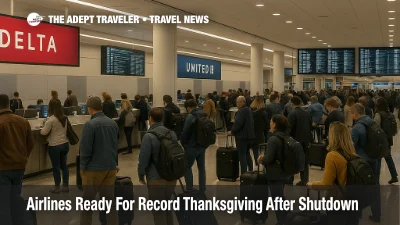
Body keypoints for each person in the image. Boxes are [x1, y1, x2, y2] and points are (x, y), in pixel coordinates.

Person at [307, 122, 360, 225]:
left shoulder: (332, 156)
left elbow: (326, 184)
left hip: (338, 201)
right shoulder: (353, 154)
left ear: (333, 136)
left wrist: (311, 184)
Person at [79, 96, 119, 225]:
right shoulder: (113, 123)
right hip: (110, 168)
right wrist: (115, 163)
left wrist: (83, 167)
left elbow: (85, 150)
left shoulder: (90, 125)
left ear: (90, 108)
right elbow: (114, 146)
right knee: (110, 204)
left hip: (93, 170)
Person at [138, 107, 177, 225]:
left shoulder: (148, 136)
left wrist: (141, 175)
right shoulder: (172, 134)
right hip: (171, 177)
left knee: (158, 211)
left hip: (156, 178)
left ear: (150, 118)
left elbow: (143, 159)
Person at [0, 94, 34, 225]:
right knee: (15, 200)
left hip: (2, 169)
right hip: (19, 168)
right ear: (9, 104)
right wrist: (23, 158)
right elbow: (30, 143)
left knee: (3, 204)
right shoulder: (23, 121)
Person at [257, 115, 291, 225]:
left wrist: (261, 159)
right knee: (280, 196)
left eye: (271, 122)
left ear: (275, 124)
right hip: (285, 171)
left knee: (277, 198)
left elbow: (268, 158)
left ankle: (282, 220)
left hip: (275, 173)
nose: (270, 124)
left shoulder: (273, 139)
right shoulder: (286, 137)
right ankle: (288, 216)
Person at [350, 103, 381, 223]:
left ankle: (357, 215)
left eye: (352, 114)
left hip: (362, 162)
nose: (352, 116)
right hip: (375, 159)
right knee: (374, 186)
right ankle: (377, 213)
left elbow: (351, 146)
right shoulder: (373, 122)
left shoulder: (357, 127)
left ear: (356, 113)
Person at [40, 99, 70, 193]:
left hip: (54, 146)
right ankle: (65, 186)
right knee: (64, 165)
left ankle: (57, 187)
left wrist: (44, 125)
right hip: (65, 144)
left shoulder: (51, 119)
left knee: (56, 167)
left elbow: (43, 132)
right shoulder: (65, 117)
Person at [181, 100, 207, 192]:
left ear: (188, 107)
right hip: (202, 145)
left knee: (187, 167)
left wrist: (183, 143)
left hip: (191, 146)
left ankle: (189, 188)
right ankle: (202, 188)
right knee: (201, 168)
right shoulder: (203, 114)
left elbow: (185, 132)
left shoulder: (191, 116)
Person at [287, 96, 312, 186]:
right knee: (305, 160)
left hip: (295, 140)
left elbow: (289, 128)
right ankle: (304, 179)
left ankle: (290, 179)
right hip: (306, 139)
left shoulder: (292, 113)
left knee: (293, 159)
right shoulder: (306, 113)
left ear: (292, 103)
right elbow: (311, 126)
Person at [228, 96, 255, 174]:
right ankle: (250, 170)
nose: (236, 104)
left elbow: (238, 124)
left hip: (242, 136)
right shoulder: (249, 110)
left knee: (242, 154)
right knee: (247, 153)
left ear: (242, 102)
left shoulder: (241, 111)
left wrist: (232, 131)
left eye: (238, 102)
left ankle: (244, 173)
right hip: (250, 136)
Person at [374, 98, 398, 184]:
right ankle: (394, 175)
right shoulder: (390, 114)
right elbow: (395, 129)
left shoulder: (378, 114)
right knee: (388, 157)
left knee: (378, 159)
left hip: (380, 140)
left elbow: (375, 128)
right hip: (389, 139)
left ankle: (376, 179)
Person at [250, 96, 269, 166]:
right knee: (262, 149)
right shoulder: (263, 112)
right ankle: (262, 163)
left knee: (255, 149)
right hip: (261, 133)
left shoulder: (251, 111)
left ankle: (256, 162)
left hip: (252, 133)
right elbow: (267, 124)